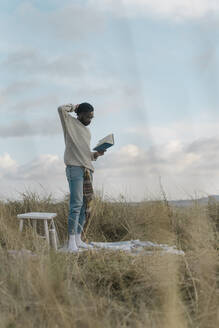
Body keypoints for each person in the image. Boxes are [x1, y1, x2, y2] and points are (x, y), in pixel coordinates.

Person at [58, 102, 105, 252]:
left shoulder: (87, 132)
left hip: (88, 169)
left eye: (92, 117)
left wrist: (95, 154)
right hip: (75, 168)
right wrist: (75, 106)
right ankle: (71, 241)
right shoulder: (69, 122)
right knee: (76, 204)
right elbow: (60, 109)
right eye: (88, 116)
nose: (90, 119)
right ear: (80, 113)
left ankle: (78, 238)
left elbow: (85, 154)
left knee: (86, 206)